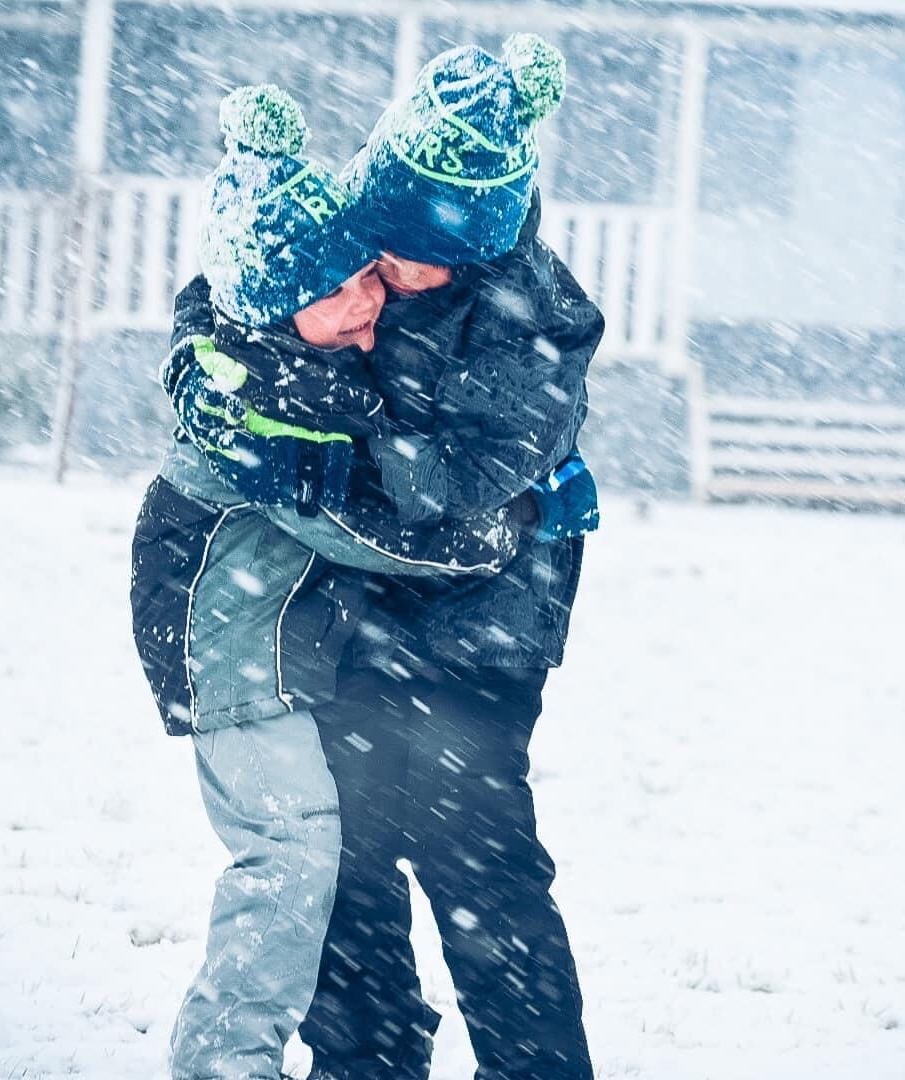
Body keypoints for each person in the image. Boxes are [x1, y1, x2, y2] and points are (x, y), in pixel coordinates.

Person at [128, 84, 521, 1080]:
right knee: (288, 852)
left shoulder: (278, 346)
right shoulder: (256, 401)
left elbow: (221, 293)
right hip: (229, 653)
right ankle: (226, 1061)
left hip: (274, 642)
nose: (369, 307)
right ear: (280, 299)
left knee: (318, 848)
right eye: (342, 291)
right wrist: (474, 544)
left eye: (368, 282)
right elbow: (346, 521)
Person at [297, 36, 603, 1080]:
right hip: (356, 599)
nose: (388, 268)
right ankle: (365, 1058)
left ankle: (535, 1068)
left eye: (417, 252)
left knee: (476, 855)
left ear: (477, 243)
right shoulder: (361, 228)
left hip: (489, 615)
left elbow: (469, 480)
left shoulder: (539, 318)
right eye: (379, 238)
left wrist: (327, 426)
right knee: (341, 843)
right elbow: (246, 284)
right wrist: (206, 358)